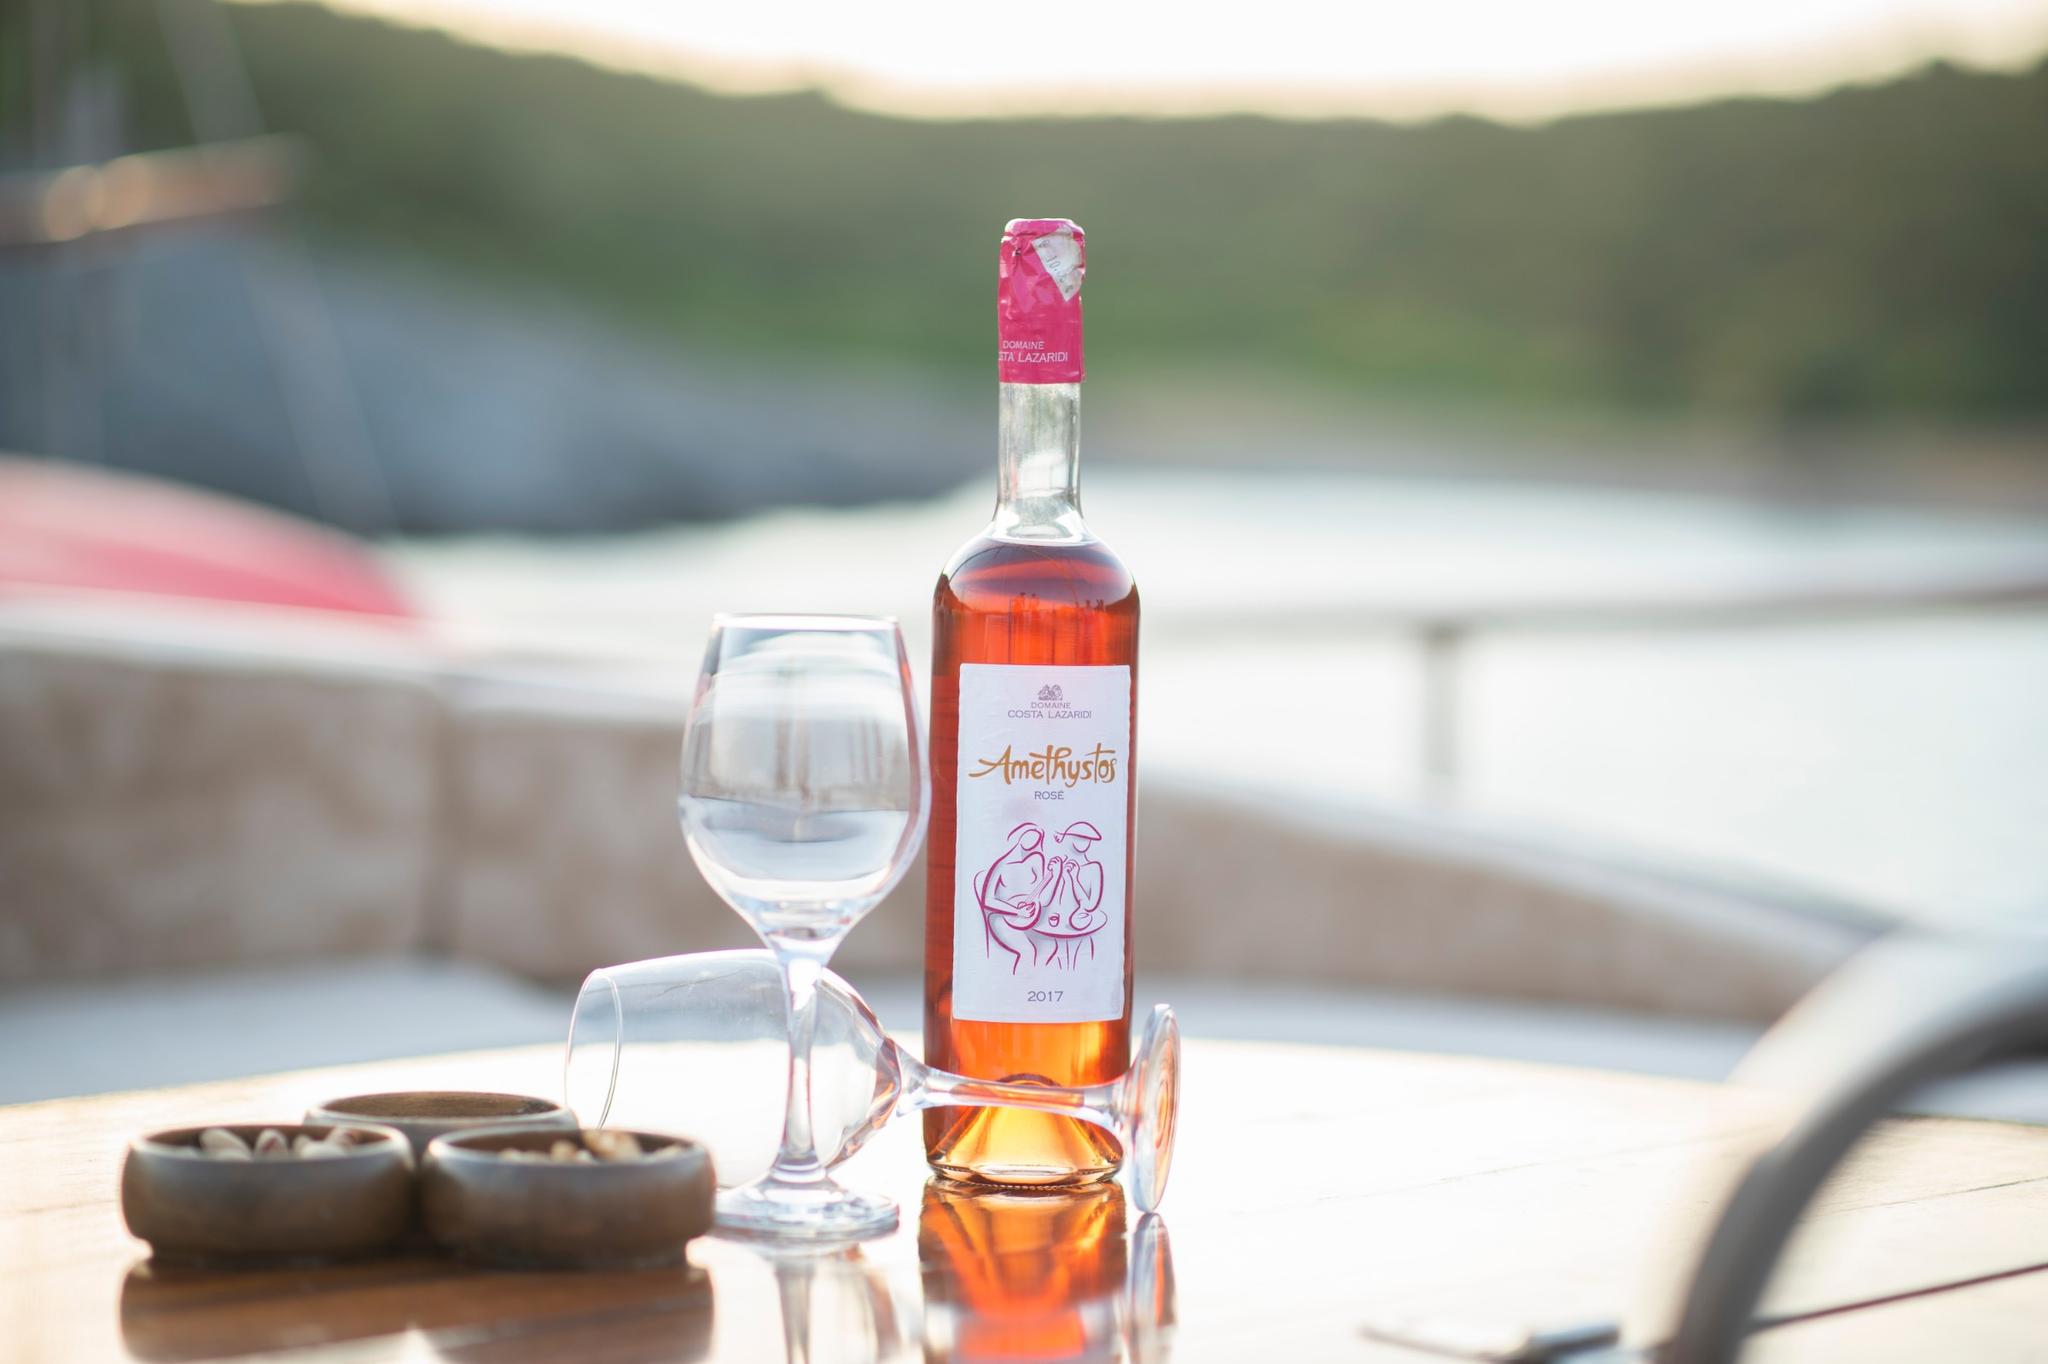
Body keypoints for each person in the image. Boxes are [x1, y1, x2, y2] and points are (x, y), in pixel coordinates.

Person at [974, 822, 1048, 972]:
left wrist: (1056, 874)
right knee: (1028, 951)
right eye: (1028, 839)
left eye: (1036, 841)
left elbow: (1040, 896)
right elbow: (987, 900)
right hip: (1001, 917)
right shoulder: (1002, 865)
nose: (1032, 846)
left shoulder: (1036, 861)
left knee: (1046, 949)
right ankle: (1020, 987)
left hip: (1027, 919)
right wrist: (1017, 911)